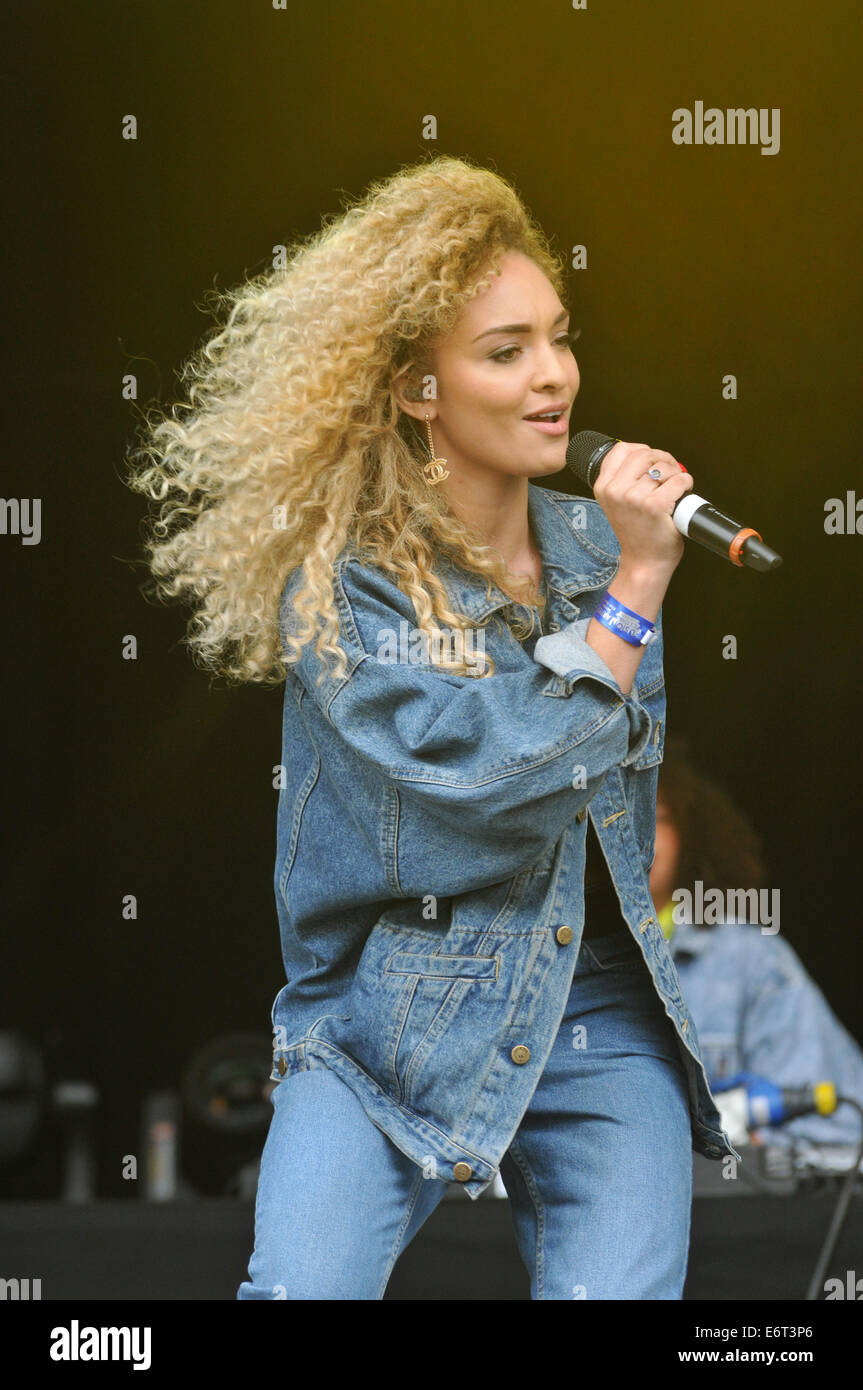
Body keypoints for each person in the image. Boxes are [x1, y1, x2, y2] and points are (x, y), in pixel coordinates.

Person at [126, 154, 738, 1301]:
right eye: (504, 352)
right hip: (380, 1012)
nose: (553, 375)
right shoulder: (345, 584)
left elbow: (603, 769)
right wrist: (636, 600)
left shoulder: (603, 551)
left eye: (557, 336)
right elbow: (481, 784)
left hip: (591, 998)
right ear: (418, 388)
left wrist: (625, 585)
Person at [651, 739, 863, 1151]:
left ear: (690, 835)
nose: (636, 830)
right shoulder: (539, 956)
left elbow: (842, 1124)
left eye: (657, 815)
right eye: (615, 817)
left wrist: (739, 1144)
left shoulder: (748, 959)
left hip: (724, 1215)